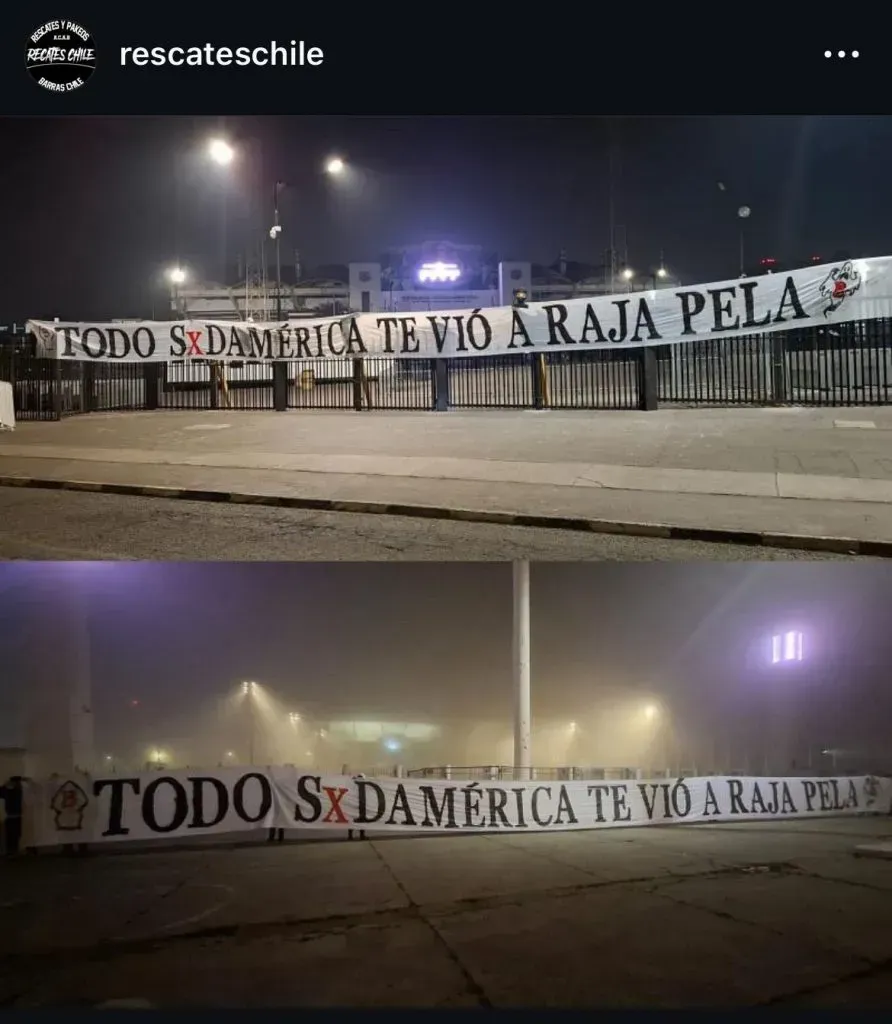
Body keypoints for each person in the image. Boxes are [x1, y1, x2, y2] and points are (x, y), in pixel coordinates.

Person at [0, 776, 24, 856]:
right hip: (13, 816)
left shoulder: (15, 792)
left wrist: (4, 785)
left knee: (14, 836)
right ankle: (12, 851)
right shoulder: (16, 792)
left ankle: (12, 851)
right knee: (13, 836)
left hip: (15, 816)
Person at [348, 773, 367, 841]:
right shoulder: (355, 784)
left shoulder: (354, 784)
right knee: (354, 820)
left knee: (358, 820)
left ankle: (352, 836)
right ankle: (359, 835)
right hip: (356, 804)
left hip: (358, 804)